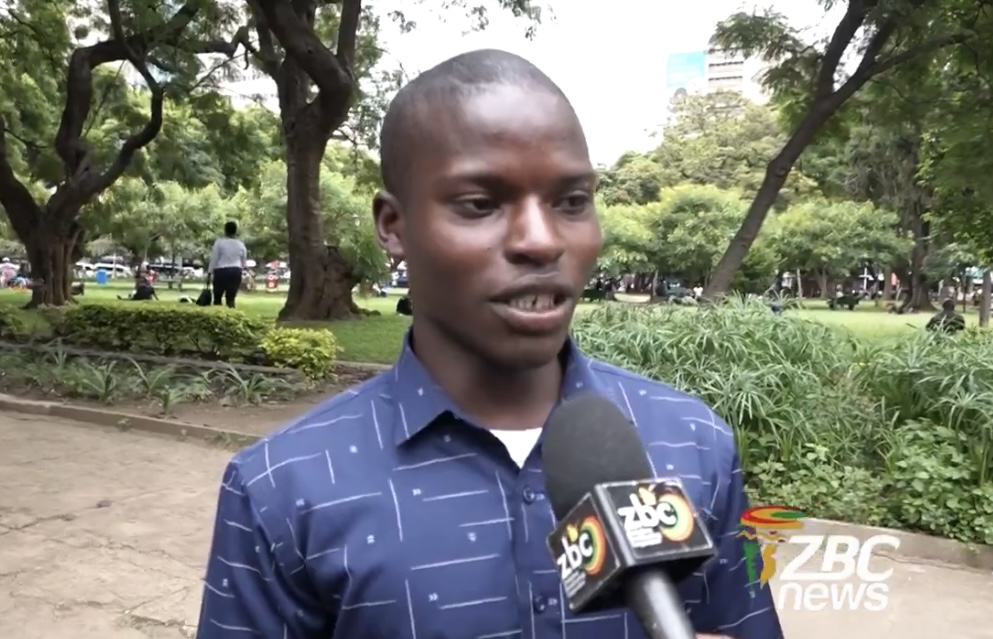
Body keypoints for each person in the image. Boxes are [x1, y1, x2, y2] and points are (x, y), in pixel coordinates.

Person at [196, 49, 781, 639]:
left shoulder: (694, 443)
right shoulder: (281, 488)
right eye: (480, 205)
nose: (540, 241)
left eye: (571, 202)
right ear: (393, 225)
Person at [208, 221, 247, 308]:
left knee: (218, 297)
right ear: (236, 231)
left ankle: (217, 313)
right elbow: (244, 261)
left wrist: (210, 271)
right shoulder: (240, 245)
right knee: (231, 298)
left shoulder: (219, 243)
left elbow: (214, 258)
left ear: (225, 230)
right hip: (236, 271)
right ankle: (231, 312)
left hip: (221, 271)